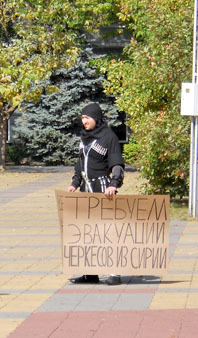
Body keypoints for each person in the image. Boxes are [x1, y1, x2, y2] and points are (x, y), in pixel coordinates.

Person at [67, 103, 125, 285]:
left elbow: (117, 163)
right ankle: (90, 274)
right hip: (86, 191)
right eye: (82, 118)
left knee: (107, 232)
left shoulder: (109, 137)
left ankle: (115, 273)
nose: (84, 121)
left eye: (87, 118)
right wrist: (74, 183)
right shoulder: (84, 138)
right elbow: (81, 164)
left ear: (96, 118)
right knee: (87, 233)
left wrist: (114, 184)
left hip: (103, 190)